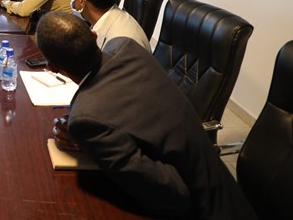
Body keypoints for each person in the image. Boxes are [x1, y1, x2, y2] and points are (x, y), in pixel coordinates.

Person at [35, 12, 257, 220]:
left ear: (51, 67)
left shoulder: (86, 117)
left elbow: (172, 197)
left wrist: (92, 142)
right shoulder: (125, 47)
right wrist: (97, 142)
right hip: (229, 195)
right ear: (94, 35)